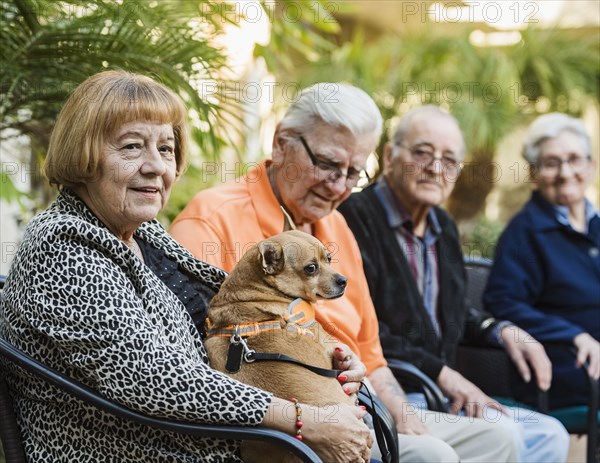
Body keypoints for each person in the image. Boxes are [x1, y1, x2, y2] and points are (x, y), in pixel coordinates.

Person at [0, 71, 374, 463]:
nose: (156, 167)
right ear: (84, 155)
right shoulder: (64, 248)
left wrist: (319, 350)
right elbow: (153, 377)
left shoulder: (140, 232)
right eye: (131, 147)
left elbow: (233, 310)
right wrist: (304, 419)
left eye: (165, 149)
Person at [170, 84, 520, 463]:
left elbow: (372, 354)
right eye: (327, 163)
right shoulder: (212, 219)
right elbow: (198, 367)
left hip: (361, 402)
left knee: (500, 438)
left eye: (354, 172)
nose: (338, 186)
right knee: (433, 456)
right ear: (281, 142)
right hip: (286, 427)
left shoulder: (336, 226)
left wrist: (400, 415)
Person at [337, 105, 570, 462]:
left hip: (440, 394)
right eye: (422, 153)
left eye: (449, 160)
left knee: (549, 435)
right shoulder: (354, 217)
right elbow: (361, 329)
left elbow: (456, 311)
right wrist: (445, 375)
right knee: (504, 434)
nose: (435, 168)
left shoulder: (442, 226)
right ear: (389, 155)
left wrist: (502, 330)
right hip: (396, 390)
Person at [483, 112, 599, 411]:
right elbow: (503, 302)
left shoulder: (596, 225)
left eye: (574, 159)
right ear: (534, 176)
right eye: (551, 163)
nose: (565, 171)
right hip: (566, 368)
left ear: (591, 166)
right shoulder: (523, 233)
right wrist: (574, 335)